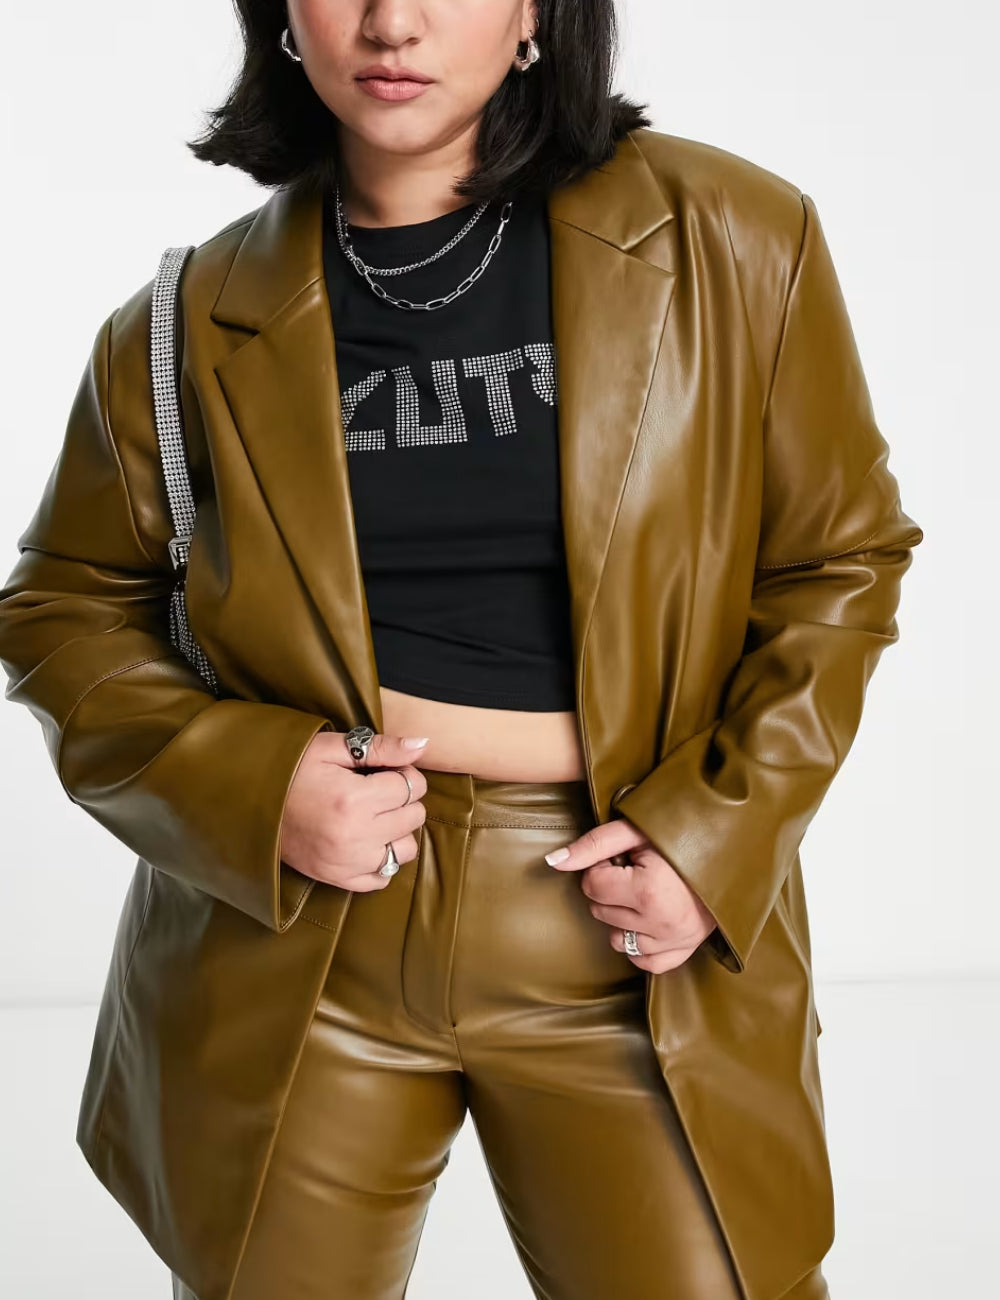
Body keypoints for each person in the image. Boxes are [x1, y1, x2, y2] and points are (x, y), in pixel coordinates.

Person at [0, 2, 923, 1298]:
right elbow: (64, 607)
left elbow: (838, 558)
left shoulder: (728, 234)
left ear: (536, 13)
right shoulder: (186, 319)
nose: (394, 21)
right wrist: (252, 783)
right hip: (299, 939)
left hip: (626, 930)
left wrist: (716, 835)